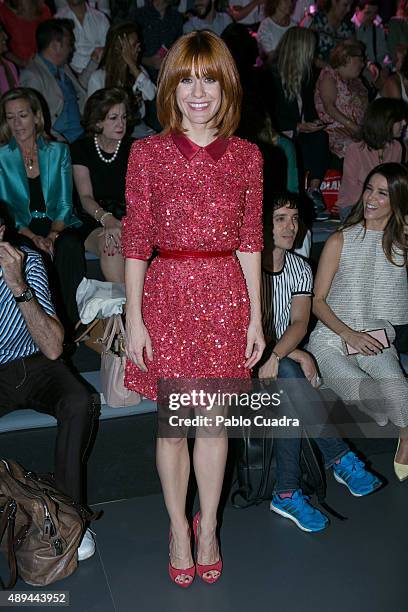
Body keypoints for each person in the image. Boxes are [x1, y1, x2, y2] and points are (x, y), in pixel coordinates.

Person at [122, 31, 265, 586]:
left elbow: (252, 241)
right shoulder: (148, 154)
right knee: (172, 428)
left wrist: (255, 315)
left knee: (212, 426)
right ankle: (179, 528)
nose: (197, 91)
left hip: (225, 293)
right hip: (167, 294)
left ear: (226, 84)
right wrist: (134, 317)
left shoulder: (250, 156)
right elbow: (135, 242)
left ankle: (209, 529)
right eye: (185, 78)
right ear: (171, 86)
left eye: (208, 77)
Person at [258, 194, 381, 532]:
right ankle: (338, 456)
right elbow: (241, 329)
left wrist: (284, 354)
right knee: (288, 373)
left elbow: (299, 323)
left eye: (295, 219)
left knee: (287, 388)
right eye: (281, 218)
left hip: (281, 365)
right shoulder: (245, 265)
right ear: (262, 222)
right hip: (246, 359)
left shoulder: (299, 267)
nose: (290, 226)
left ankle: (286, 491)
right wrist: (291, 353)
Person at [0, 201, 97, 561]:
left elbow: (55, 348)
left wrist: (17, 283)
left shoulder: (28, 261)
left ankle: (69, 516)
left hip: (36, 362)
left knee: (78, 400)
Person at [307, 163, 408, 481]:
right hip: (332, 339)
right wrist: (349, 334)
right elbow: (317, 302)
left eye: (382, 193)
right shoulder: (340, 240)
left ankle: (406, 441)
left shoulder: (402, 245)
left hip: (376, 337)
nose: (371, 198)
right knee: (374, 399)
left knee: (399, 390)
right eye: (369, 189)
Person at [0, 87, 85, 334]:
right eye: (10, 117)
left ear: (37, 117)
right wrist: (33, 237)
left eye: (23, 115)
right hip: (20, 227)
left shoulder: (58, 151)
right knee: (28, 251)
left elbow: (65, 204)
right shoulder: (2, 157)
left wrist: (51, 235)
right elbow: (8, 209)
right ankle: (36, 327)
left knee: (68, 246)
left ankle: (68, 325)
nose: (17, 123)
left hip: (57, 224)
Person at [262, 27, 331, 219]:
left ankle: (313, 191)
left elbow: (308, 109)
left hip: (299, 132)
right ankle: (293, 198)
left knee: (320, 137)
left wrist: (314, 122)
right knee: (291, 146)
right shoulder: (271, 75)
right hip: (279, 132)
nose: (313, 54)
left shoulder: (305, 76)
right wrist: (298, 126)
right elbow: (270, 114)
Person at [72, 88, 134, 284]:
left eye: (123, 117)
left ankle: (127, 308)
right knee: (111, 244)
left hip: (129, 217)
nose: (121, 124)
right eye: (113, 118)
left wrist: (125, 223)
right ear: (98, 121)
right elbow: (85, 197)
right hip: (93, 217)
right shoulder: (82, 148)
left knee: (127, 241)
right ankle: (124, 307)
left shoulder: (134, 147)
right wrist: (108, 220)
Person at [337, 98, 407, 220]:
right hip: (355, 207)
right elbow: (351, 193)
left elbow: (393, 186)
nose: (404, 123)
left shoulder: (397, 148)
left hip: (383, 205)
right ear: (386, 122)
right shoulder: (355, 149)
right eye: (399, 120)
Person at [20, 19, 87, 143]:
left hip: (81, 135)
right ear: (55, 45)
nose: (72, 49)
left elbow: (80, 91)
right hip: (60, 143)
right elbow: (32, 121)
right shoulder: (32, 75)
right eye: (69, 44)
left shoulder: (63, 67)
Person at [87, 22, 156, 138]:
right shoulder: (98, 77)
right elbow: (94, 118)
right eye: (134, 45)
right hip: (111, 131)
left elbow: (151, 94)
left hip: (138, 127)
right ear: (120, 48)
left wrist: (132, 65)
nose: (139, 49)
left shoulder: (138, 72)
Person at [314, 40, 368, 159]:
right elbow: (329, 107)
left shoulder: (357, 81)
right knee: (358, 148)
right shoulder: (330, 75)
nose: (363, 64)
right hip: (337, 131)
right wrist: (354, 127)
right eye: (361, 59)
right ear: (348, 59)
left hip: (357, 131)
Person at [129, 0, 183, 82]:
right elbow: (127, 53)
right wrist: (149, 61)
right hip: (143, 80)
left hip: (169, 79)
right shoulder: (138, 16)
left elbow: (180, 50)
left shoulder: (177, 17)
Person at [56, 0, 109, 75]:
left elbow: (109, 51)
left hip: (98, 73)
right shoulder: (58, 20)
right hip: (71, 77)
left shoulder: (101, 18)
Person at [0, 0, 51, 69]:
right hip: (20, 69)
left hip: (46, 64)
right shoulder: (3, 11)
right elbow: (2, 49)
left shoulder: (43, 9)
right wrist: (22, 63)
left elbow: (51, 41)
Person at [309, 0, 355, 66]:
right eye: (345, 5)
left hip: (342, 72)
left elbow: (354, 52)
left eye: (351, 5)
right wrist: (325, 66)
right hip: (317, 71)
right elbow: (305, 51)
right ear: (333, 2)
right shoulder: (316, 20)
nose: (349, 9)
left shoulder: (348, 26)